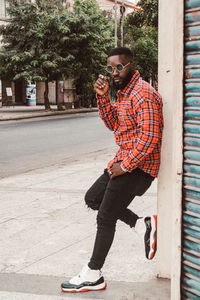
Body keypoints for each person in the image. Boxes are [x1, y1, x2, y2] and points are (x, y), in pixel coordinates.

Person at [61, 47, 164, 293]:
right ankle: (141, 224)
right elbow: (113, 124)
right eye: (110, 68)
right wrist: (103, 97)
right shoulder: (124, 94)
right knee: (92, 198)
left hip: (139, 167)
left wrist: (125, 166)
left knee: (105, 216)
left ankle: (93, 273)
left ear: (131, 65)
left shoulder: (143, 94)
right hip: (123, 161)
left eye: (120, 67)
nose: (114, 73)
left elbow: (150, 139)